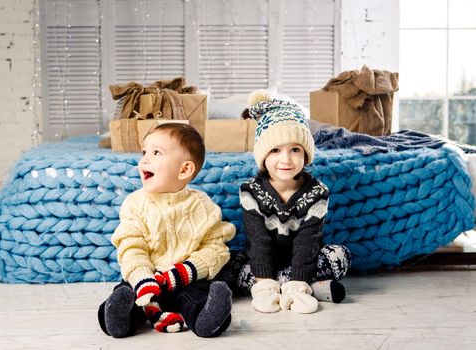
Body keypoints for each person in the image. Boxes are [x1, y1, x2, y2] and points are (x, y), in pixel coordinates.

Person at [98, 123, 236, 338]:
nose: (145, 159)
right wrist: (143, 278)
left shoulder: (201, 205)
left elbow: (215, 248)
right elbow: (131, 247)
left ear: (184, 170)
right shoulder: (135, 203)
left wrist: (181, 273)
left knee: (199, 296)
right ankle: (118, 319)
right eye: (144, 152)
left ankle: (209, 319)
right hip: (145, 278)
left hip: (186, 279)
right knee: (126, 294)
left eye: (156, 153)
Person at [230, 90, 352, 314]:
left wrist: (298, 282)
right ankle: (303, 288)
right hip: (262, 265)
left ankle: (295, 286)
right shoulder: (251, 191)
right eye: (275, 150)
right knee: (230, 262)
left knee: (339, 255)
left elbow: (308, 242)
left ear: (305, 154)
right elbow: (258, 241)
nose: (285, 159)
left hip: (304, 262)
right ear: (263, 155)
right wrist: (264, 283)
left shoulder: (317, 192)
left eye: (295, 149)